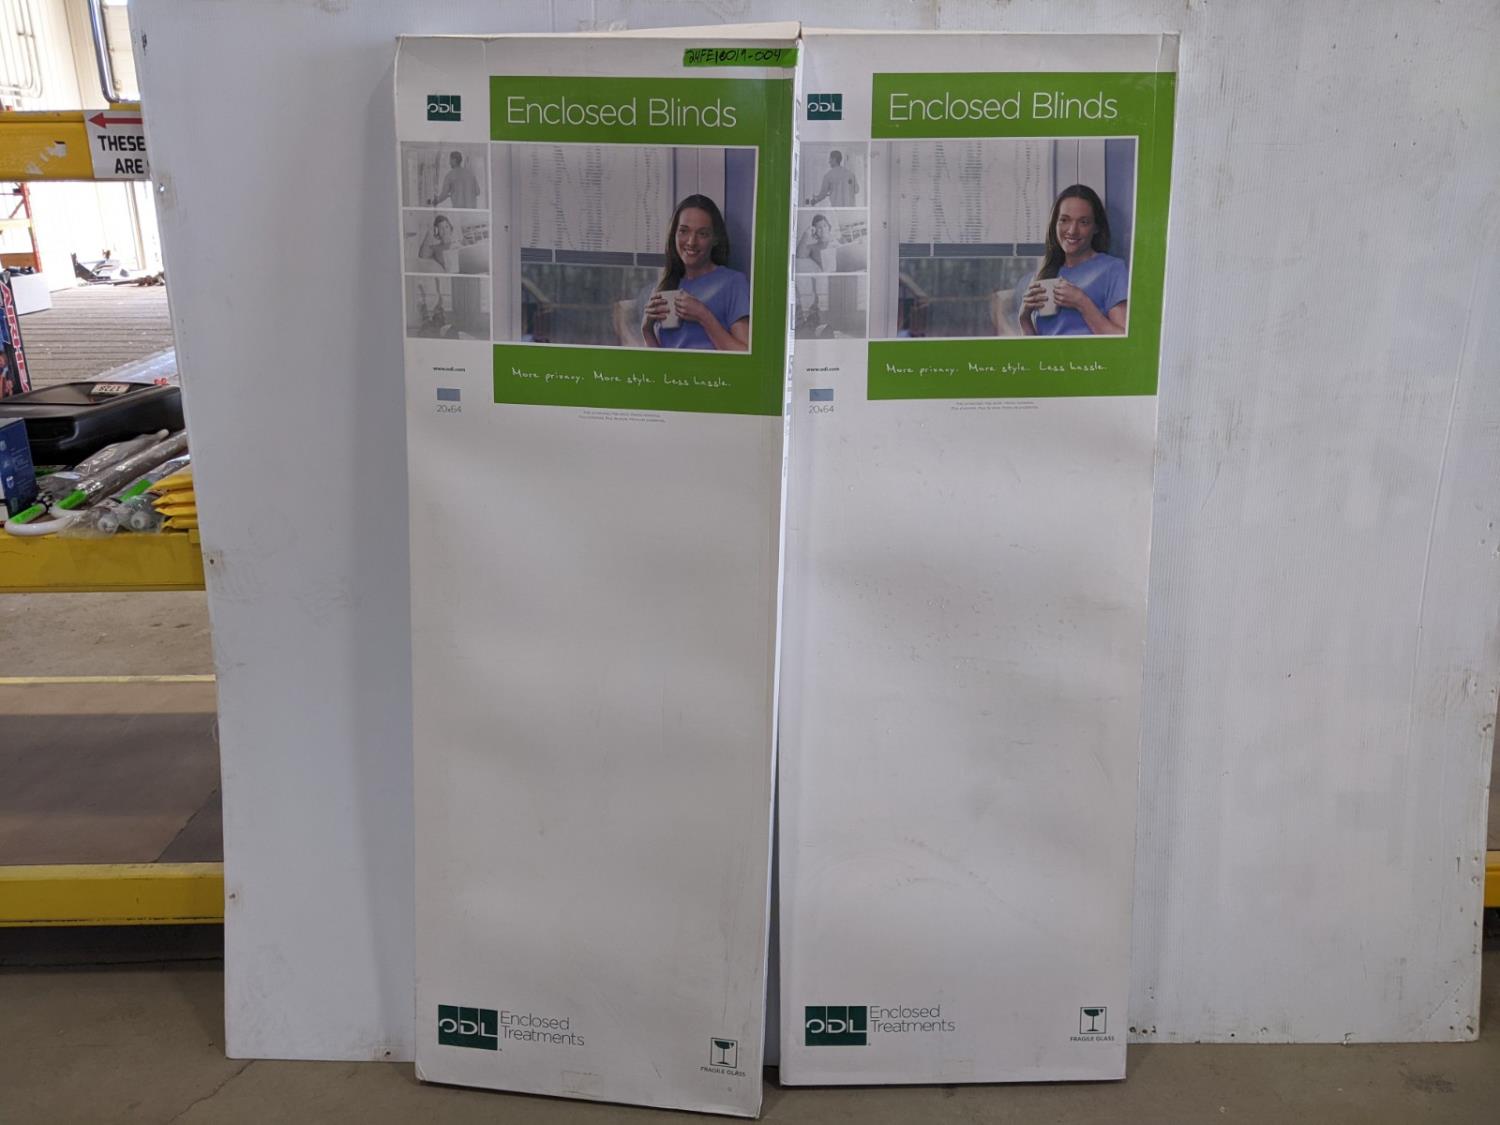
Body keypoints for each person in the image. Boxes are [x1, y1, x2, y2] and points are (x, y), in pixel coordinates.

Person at [641, 195, 750, 351]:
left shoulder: (733, 282)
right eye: (683, 231)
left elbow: (744, 354)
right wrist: (647, 330)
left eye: (702, 234)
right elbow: (658, 362)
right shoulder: (664, 286)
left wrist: (703, 315)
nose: (691, 242)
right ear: (674, 235)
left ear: (715, 239)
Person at [1019, 184, 1128, 336]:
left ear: (1096, 227)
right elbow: (1036, 348)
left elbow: (1122, 339)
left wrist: (1082, 302)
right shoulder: (1044, 273)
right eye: (1064, 220)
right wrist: (1024, 318)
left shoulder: (1113, 269)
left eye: (1083, 222)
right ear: (1054, 224)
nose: (1072, 230)